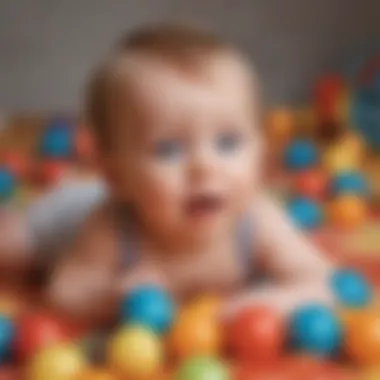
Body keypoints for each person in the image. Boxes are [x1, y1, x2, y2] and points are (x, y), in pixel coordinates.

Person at [0, 24, 335, 322]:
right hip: (67, 215)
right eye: (168, 150)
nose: (205, 167)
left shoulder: (255, 219)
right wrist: (112, 295)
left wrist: (265, 304)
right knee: (12, 248)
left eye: (228, 143)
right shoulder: (114, 225)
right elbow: (64, 294)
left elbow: (322, 281)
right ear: (116, 176)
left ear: (261, 152)